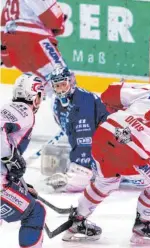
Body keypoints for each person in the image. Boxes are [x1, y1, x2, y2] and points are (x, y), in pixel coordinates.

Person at [62, 74, 150, 244]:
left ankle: (77, 220)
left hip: (104, 136)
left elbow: (109, 94)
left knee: (106, 182)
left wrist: (123, 113)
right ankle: (143, 225)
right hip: (130, 154)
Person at [43, 66, 109, 193]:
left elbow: (85, 139)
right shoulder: (58, 103)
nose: (61, 89)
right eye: (57, 86)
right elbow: (70, 132)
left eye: (63, 84)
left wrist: (80, 166)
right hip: (97, 142)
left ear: (71, 82)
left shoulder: (83, 101)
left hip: (109, 144)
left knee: (88, 173)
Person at [1, 73, 45, 247]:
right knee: (36, 212)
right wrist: (10, 156)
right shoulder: (24, 110)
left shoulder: (8, 107)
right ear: (33, 95)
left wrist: (22, 184)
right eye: (39, 96)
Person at [1, 0, 66, 81]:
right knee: (63, 79)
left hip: (14, 49)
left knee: (39, 87)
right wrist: (61, 22)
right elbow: (54, 21)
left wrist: (5, 55)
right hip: (35, 41)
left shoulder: (9, 2)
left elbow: (3, 30)